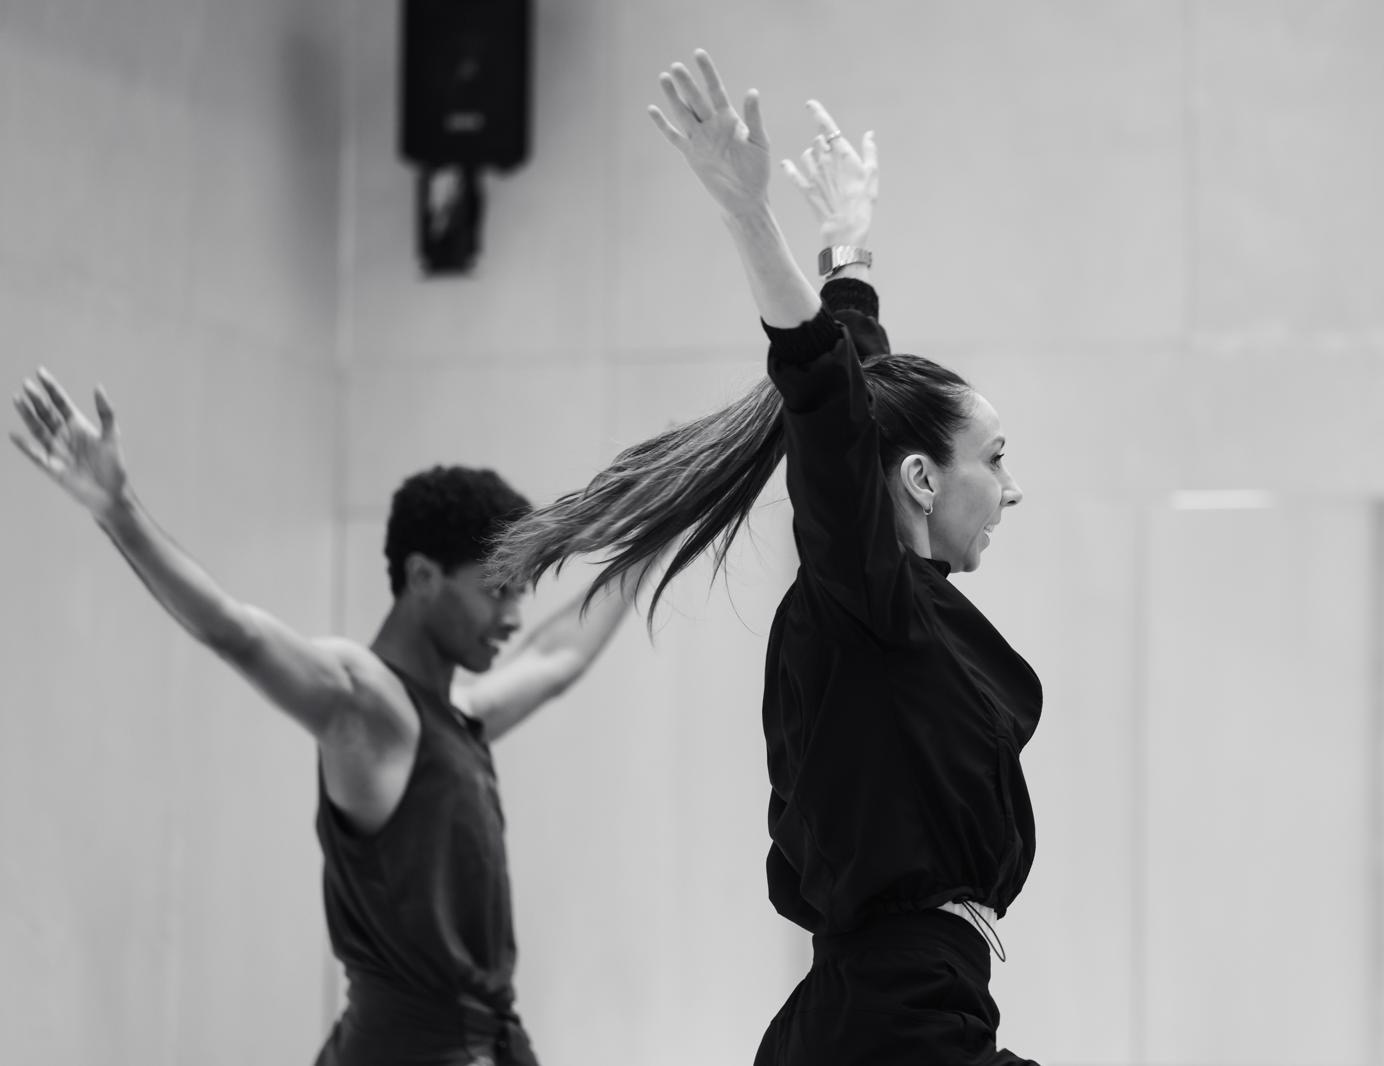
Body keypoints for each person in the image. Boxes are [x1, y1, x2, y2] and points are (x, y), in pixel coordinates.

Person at [485, 51, 1041, 1065]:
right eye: (995, 459)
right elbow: (829, 403)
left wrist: (849, 247)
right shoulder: (868, 601)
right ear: (920, 479)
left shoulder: (889, 602)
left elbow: (853, 392)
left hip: (900, 1016)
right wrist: (750, 215)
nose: (1011, 487)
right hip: (894, 1027)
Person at [9, 375, 640, 1066]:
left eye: (522, 593)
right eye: (497, 592)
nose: (514, 617)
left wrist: (648, 539)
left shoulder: (456, 717)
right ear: (423, 577)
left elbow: (557, 659)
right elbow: (234, 633)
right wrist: (119, 511)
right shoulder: (363, 701)